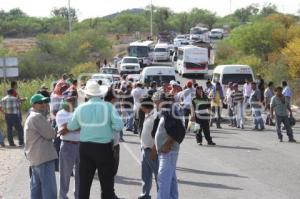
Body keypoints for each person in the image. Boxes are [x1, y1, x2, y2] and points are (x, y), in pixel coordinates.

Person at [61, 81, 123, 199]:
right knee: (107, 185)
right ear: (100, 94)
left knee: (84, 184)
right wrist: (108, 127)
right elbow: (119, 126)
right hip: (104, 148)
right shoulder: (109, 106)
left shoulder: (81, 108)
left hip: (86, 148)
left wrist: (66, 127)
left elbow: (72, 126)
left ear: (87, 95)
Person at [24, 94, 57, 199]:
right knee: (49, 189)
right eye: (40, 102)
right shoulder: (37, 116)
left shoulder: (31, 116)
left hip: (36, 158)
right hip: (44, 158)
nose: (43, 104)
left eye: (44, 102)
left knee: (36, 189)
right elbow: (51, 134)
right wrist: (53, 127)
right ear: (34, 105)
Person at [152, 92, 182, 199]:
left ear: (161, 101)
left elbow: (178, 130)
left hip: (168, 152)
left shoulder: (169, 111)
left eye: (156, 102)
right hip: (167, 152)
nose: (155, 105)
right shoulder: (167, 111)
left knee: (163, 179)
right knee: (171, 179)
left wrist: (167, 144)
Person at [56, 92, 80, 199]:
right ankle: (63, 196)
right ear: (64, 101)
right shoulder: (60, 113)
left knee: (80, 174)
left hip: (80, 146)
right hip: (67, 146)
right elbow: (62, 131)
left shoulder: (79, 112)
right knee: (65, 175)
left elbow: (83, 127)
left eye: (73, 99)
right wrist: (77, 125)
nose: (71, 101)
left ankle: (78, 196)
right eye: (69, 100)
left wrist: (68, 126)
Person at [138, 96, 159, 199]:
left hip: (152, 150)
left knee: (158, 175)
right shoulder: (148, 114)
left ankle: (161, 195)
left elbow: (157, 136)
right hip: (144, 148)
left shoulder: (155, 116)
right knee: (145, 175)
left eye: (141, 105)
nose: (140, 107)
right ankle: (145, 194)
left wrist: (154, 149)